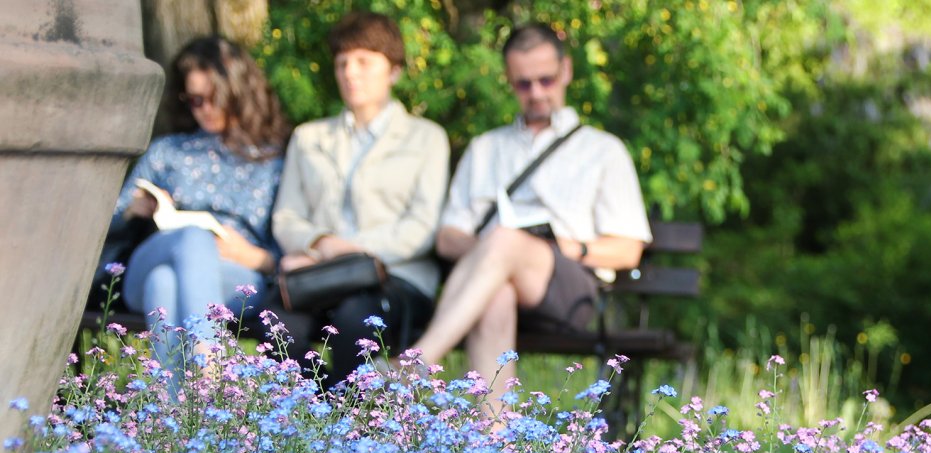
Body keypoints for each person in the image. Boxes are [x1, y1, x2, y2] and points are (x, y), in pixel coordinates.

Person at [409, 23, 651, 406]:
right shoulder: (485, 148)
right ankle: (496, 442)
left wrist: (571, 248)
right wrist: (495, 252)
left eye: (546, 80)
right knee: (497, 287)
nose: (536, 92)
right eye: (524, 83)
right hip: (490, 283)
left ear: (566, 71)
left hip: (570, 289)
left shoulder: (603, 150)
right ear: (509, 80)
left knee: (504, 238)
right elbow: (448, 237)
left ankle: (417, 363)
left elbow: (628, 250)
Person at [270, 11, 450, 388]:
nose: (351, 72)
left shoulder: (426, 138)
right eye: (342, 63)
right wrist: (321, 244)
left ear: (395, 71)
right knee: (277, 322)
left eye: (364, 62)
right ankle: (295, 427)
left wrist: (345, 253)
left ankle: (352, 431)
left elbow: (420, 229)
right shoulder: (309, 138)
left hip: (396, 277)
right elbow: (286, 218)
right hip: (318, 277)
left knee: (356, 318)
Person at [111, 35, 288, 379]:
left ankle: (177, 415)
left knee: (164, 285)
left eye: (213, 98)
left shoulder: (272, 161)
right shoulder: (167, 150)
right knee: (192, 237)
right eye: (194, 100)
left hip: (236, 273)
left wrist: (251, 255)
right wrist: (133, 210)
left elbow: (285, 255)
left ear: (238, 92)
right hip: (156, 255)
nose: (205, 108)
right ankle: (209, 360)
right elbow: (103, 227)